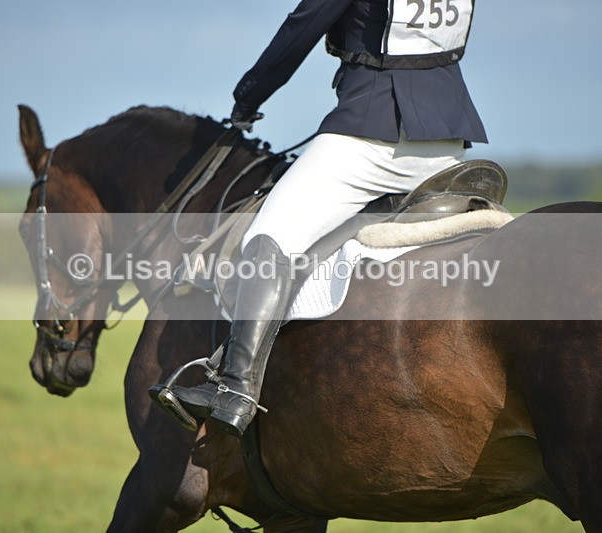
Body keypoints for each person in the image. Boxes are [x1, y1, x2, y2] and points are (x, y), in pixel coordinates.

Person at [151, 0, 487, 437]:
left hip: (371, 133)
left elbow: (301, 29)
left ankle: (235, 389)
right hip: (446, 142)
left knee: (269, 239)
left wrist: (247, 97)